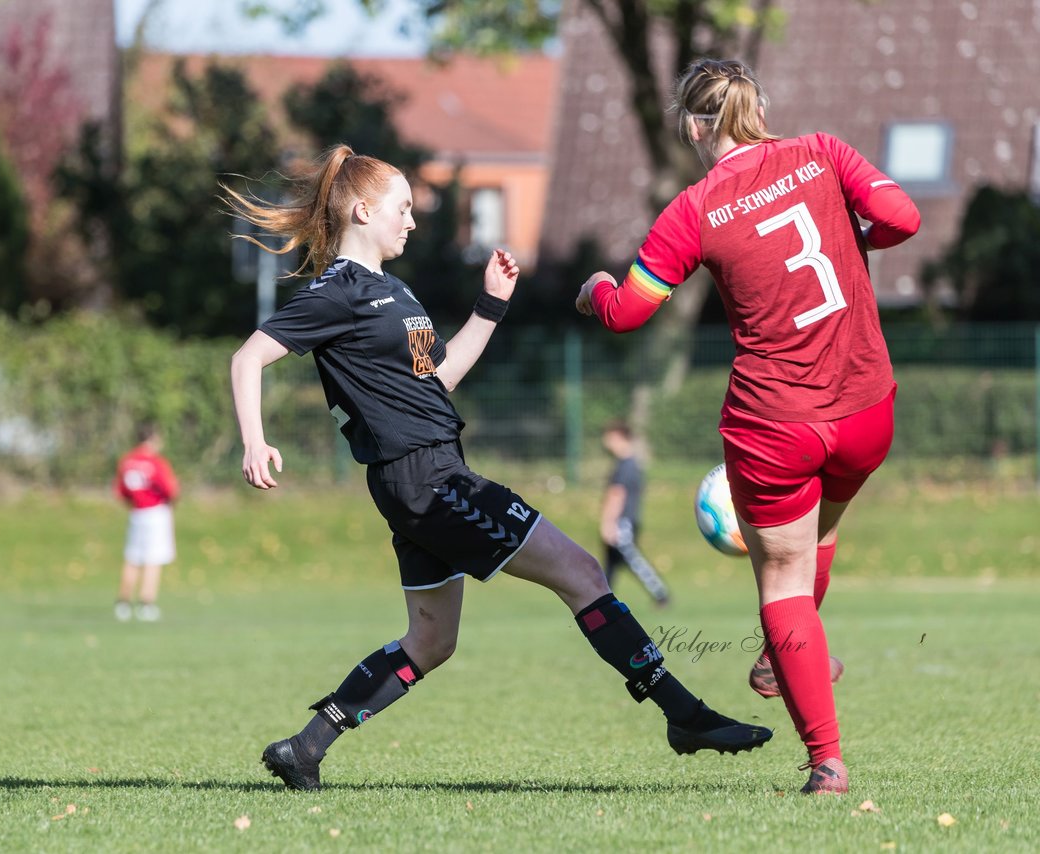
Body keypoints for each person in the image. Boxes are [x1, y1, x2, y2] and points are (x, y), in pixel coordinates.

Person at [225, 143, 772, 792]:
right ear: (364, 211)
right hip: (429, 481)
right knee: (581, 570)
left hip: (422, 477)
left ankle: (306, 747)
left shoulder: (393, 291)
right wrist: (254, 442)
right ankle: (685, 714)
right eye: (403, 209)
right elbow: (248, 358)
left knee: (431, 641)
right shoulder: (338, 293)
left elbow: (439, 380)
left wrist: (490, 307)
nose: (412, 222)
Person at [575, 58, 920, 794]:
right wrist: (854, 238)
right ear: (755, 109)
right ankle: (782, 656)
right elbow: (902, 219)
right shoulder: (824, 153)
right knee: (820, 539)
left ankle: (826, 761)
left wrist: (593, 291)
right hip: (865, 409)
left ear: (696, 125)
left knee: (783, 580)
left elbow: (628, 312)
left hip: (775, 426)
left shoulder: (694, 209)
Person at [598, 419, 670, 606]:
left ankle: (661, 594)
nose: (606, 443)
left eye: (609, 438)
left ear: (619, 437)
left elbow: (617, 495)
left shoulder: (625, 466)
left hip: (622, 523)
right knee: (610, 564)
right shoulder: (632, 464)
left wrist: (608, 523)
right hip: (625, 521)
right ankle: (601, 599)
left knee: (633, 560)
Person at [113, 422, 179, 622]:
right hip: (155, 513)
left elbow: (121, 491)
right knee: (153, 560)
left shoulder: (127, 461)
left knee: (132, 558)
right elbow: (170, 489)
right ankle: (146, 604)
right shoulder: (155, 462)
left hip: (136, 513)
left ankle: (123, 604)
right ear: (153, 438)